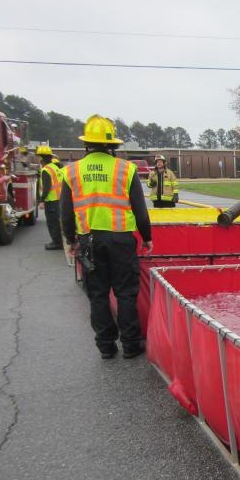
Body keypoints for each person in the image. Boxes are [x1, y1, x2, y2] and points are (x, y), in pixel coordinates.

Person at [60, 115, 153, 359]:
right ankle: (131, 345)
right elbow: (140, 212)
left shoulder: (71, 171)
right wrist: (147, 237)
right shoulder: (126, 169)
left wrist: (71, 241)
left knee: (98, 294)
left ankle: (105, 346)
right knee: (125, 293)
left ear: (86, 144)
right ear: (113, 145)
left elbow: (66, 214)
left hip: (89, 240)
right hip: (121, 240)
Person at [36, 145, 64, 250]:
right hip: (59, 199)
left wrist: (41, 200)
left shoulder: (45, 170)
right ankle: (60, 241)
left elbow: (47, 187)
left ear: (41, 158)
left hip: (51, 201)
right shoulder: (55, 167)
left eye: (38, 157)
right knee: (58, 222)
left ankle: (56, 243)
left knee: (53, 223)